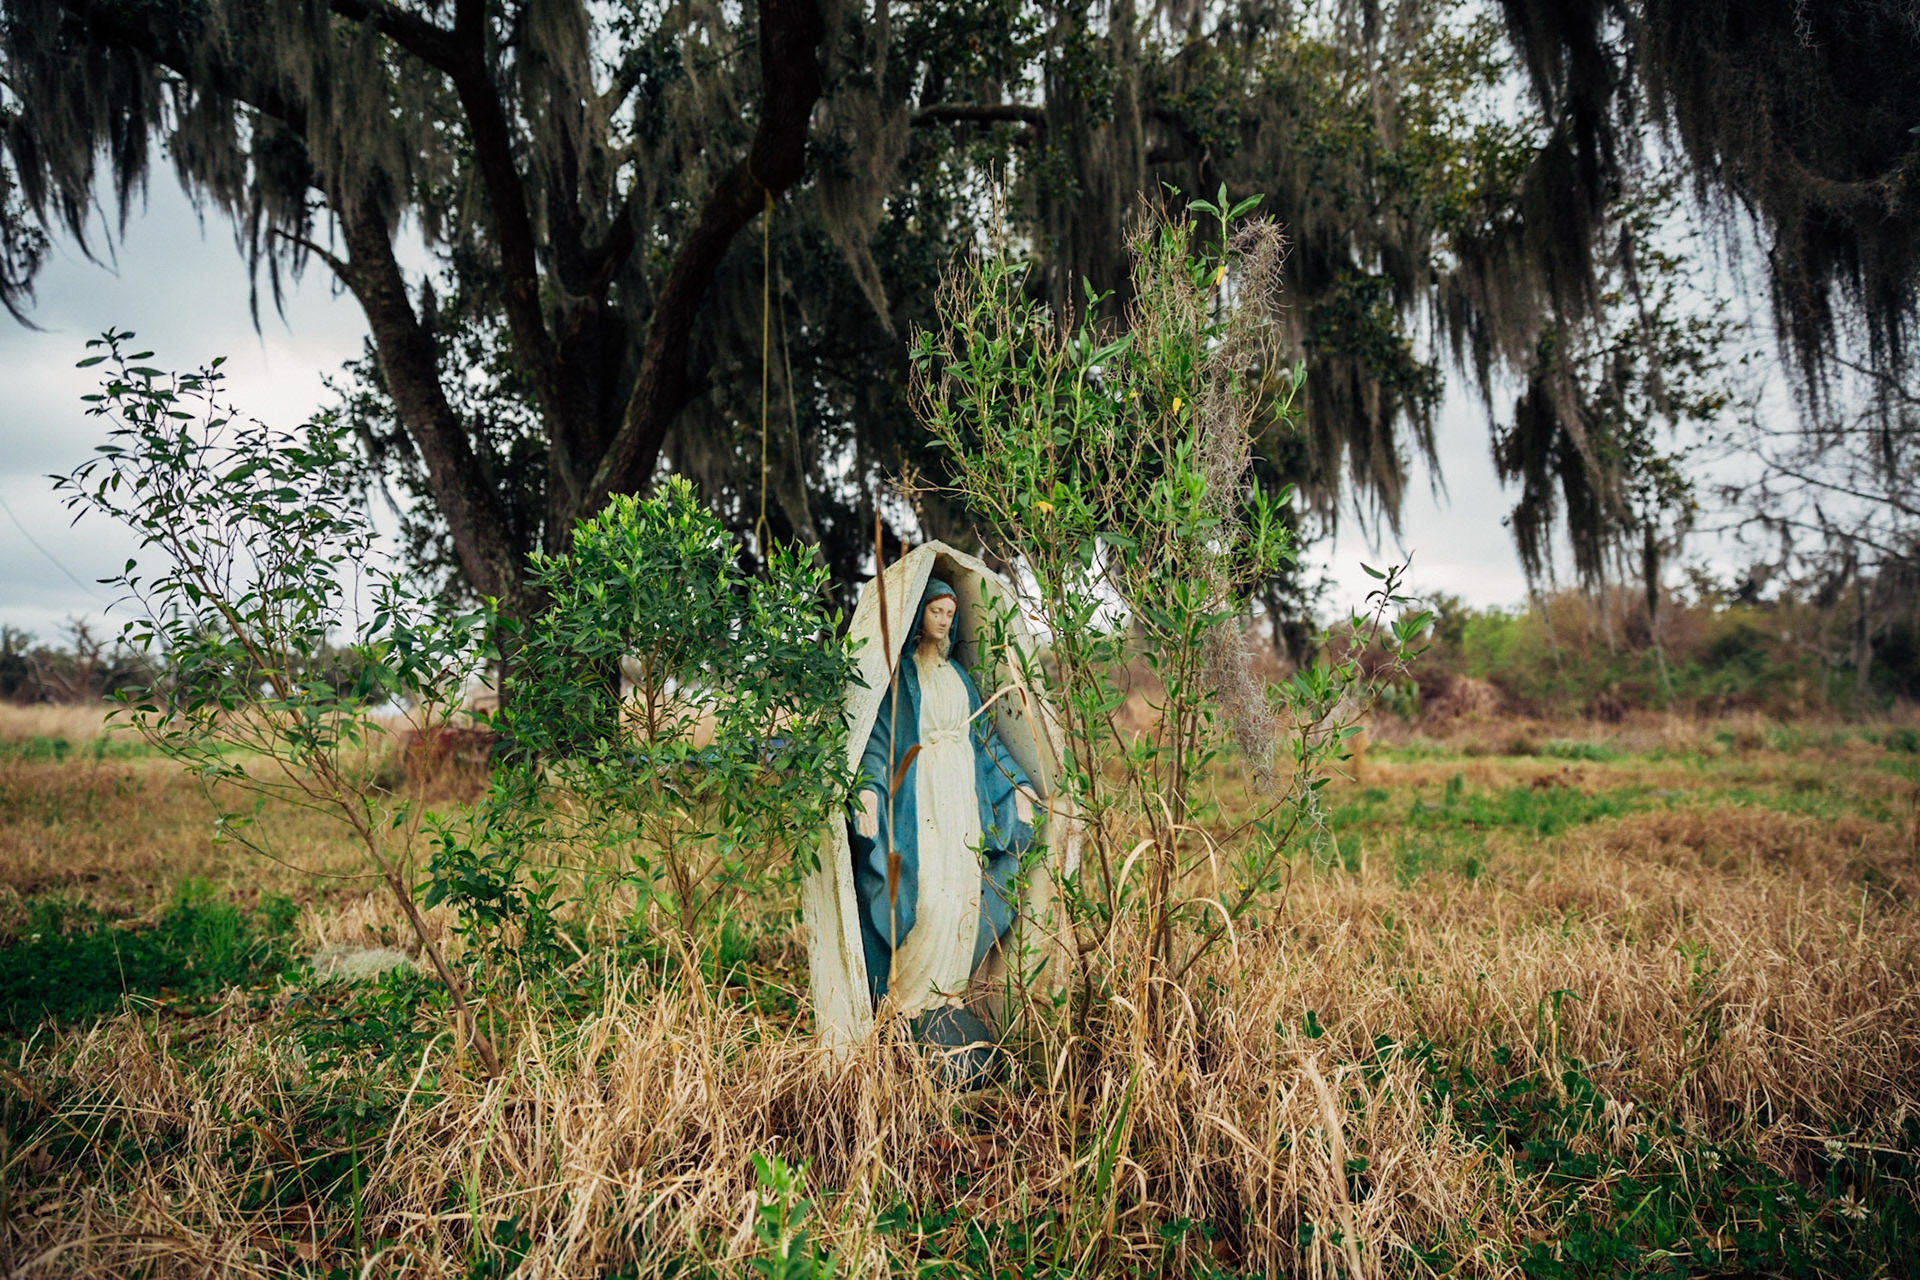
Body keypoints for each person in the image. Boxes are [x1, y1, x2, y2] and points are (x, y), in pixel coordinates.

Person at [849, 578, 1039, 1079]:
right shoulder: (904, 679)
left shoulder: (959, 676)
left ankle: (947, 1001)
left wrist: (1017, 784)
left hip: (962, 802)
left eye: (951, 612)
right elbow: (879, 743)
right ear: (920, 616)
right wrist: (867, 789)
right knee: (928, 900)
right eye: (936, 610)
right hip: (921, 800)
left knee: (965, 898)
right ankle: (908, 1005)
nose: (945, 619)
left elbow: (984, 741)